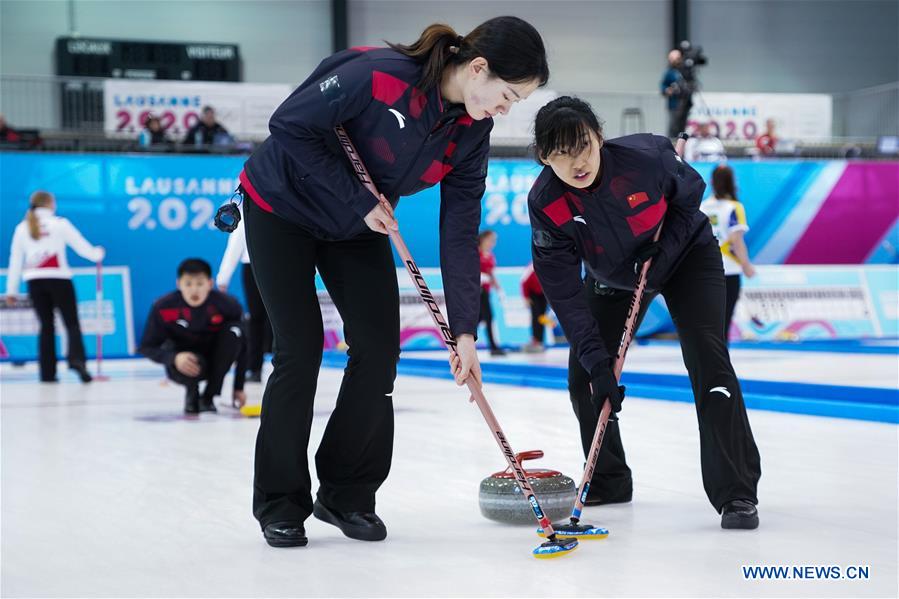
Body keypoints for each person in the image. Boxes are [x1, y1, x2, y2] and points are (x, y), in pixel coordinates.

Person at [236, 17, 548, 548]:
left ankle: (346, 494)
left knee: (379, 349)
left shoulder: (473, 130)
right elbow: (289, 124)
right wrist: (360, 200)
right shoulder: (376, 75)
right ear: (478, 68)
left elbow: (460, 228)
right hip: (281, 208)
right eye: (508, 95)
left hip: (355, 228)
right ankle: (280, 502)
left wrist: (465, 333)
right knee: (300, 349)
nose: (505, 109)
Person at [528, 96, 761, 530]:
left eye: (582, 146)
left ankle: (737, 492)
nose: (576, 162)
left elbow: (690, 197)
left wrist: (666, 246)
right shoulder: (547, 202)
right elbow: (562, 291)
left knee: (709, 360)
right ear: (544, 157)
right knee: (584, 377)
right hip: (614, 279)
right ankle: (610, 479)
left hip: (686, 257)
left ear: (599, 137)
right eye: (560, 154)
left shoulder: (647, 157)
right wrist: (599, 364)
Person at [5, 191, 104, 383]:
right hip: (59, 279)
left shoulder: (22, 228)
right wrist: (96, 254)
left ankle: (47, 373)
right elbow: (81, 245)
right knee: (71, 324)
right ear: (50, 203)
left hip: (35, 281)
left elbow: (15, 259)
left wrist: (11, 290)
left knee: (46, 327)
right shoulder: (60, 224)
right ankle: (77, 361)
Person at [139, 258, 247, 414]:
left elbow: (243, 345)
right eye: (188, 284)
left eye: (200, 284)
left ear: (210, 284)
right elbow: (146, 346)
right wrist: (173, 358)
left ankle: (208, 397)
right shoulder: (163, 307)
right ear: (179, 284)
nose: (194, 290)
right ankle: (192, 394)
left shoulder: (228, 305)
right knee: (188, 358)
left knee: (235, 331)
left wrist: (239, 387)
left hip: (216, 359)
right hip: (182, 361)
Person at [700, 165, 756, 343]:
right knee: (723, 322)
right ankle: (721, 364)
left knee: (708, 322)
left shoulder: (702, 207)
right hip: (729, 270)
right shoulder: (734, 207)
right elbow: (736, 240)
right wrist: (746, 265)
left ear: (712, 182)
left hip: (705, 270)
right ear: (733, 183)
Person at [216, 204, 271, 382]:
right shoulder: (246, 206)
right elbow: (236, 243)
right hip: (252, 264)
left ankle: (281, 364)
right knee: (256, 317)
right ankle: (254, 367)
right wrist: (223, 278)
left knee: (276, 317)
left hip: (279, 263)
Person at [477, 229, 506, 356]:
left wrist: (499, 290)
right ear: (483, 239)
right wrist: (481, 277)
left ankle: (461, 342)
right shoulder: (475, 253)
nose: (492, 243)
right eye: (491, 240)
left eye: (494, 241)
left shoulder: (490, 256)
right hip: (477, 291)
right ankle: (493, 347)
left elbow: (491, 274)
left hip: (486, 291)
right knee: (488, 317)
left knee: (480, 318)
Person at [660, 49, 691, 138]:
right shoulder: (669, 73)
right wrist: (667, 90)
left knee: (683, 126)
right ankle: (672, 145)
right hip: (674, 104)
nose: (675, 61)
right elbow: (663, 85)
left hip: (685, 103)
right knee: (673, 126)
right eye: (672, 59)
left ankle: (682, 144)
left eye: (677, 59)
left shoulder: (685, 71)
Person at [520, 262, 548, 353]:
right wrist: (526, 297)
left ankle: (540, 340)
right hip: (533, 294)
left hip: (544, 294)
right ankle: (535, 339)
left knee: (542, 317)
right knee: (535, 316)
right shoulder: (531, 267)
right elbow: (523, 281)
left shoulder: (549, 265)